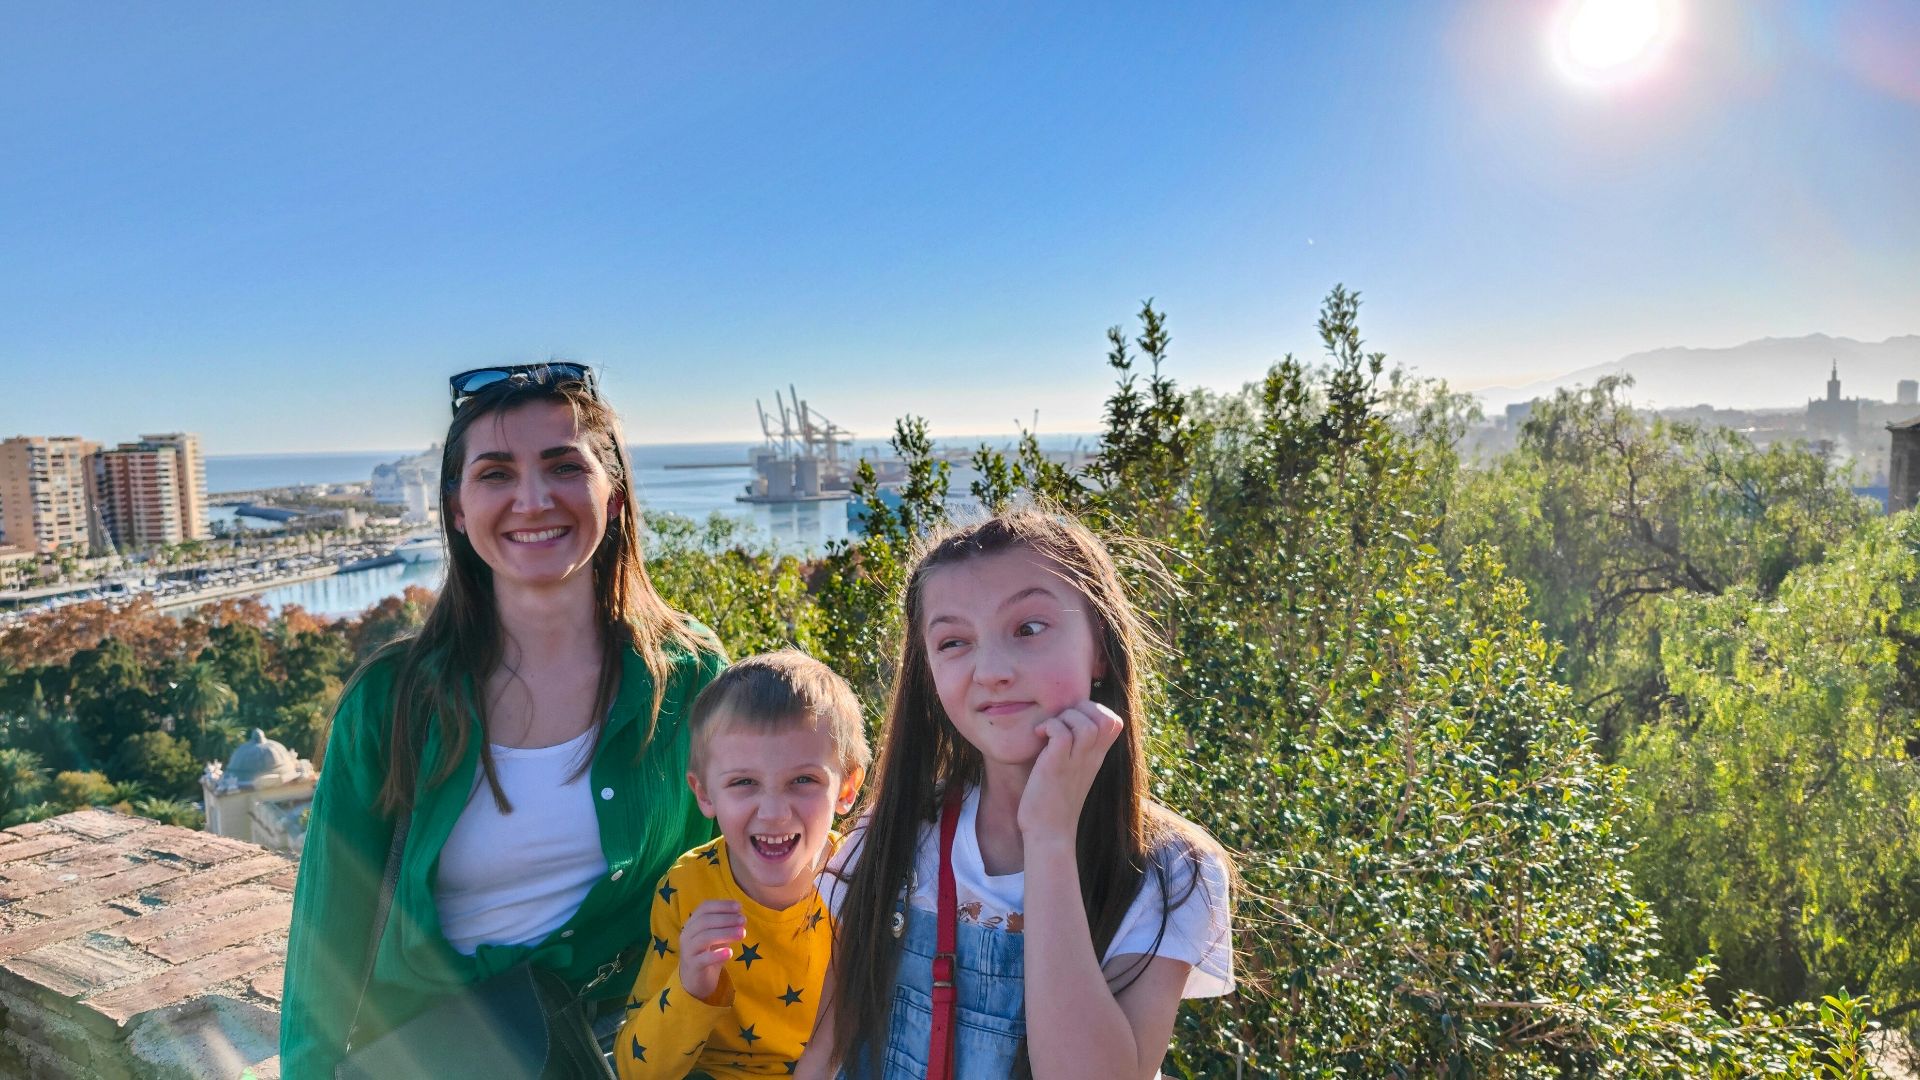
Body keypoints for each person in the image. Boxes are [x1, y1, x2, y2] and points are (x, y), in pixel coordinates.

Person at [281, 362, 728, 1078]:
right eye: (495, 473)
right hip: (441, 1056)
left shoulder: (691, 679)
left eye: (562, 466)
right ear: (457, 507)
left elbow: (725, 882)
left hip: (632, 1049)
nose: (532, 498)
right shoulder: (390, 704)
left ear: (613, 496)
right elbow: (325, 942)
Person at [801, 509, 1235, 1080]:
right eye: (954, 641)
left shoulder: (1170, 867)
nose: (991, 670)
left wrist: (1050, 837)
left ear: (1100, 648)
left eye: (1028, 629)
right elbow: (830, 1046)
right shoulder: (895, 830)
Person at [615, 649, 869, 1080]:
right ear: (704, 793)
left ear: (847, 787)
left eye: (803, 780)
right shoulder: (688, 889)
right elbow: (637, 1070)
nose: (772, 812)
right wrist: (692, 982)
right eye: (744, 782)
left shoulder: (863, 886)